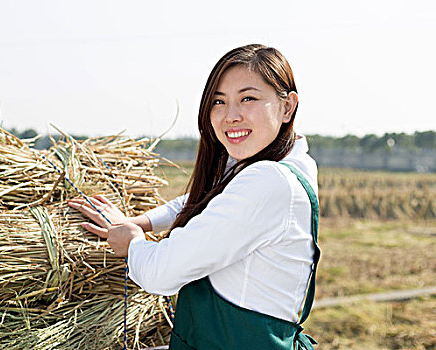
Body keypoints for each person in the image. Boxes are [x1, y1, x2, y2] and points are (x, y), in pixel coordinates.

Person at [68, 44, 320, 349]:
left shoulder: (270, 182)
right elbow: (209, 199)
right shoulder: (290, 165)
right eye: (219, 102)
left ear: (287, 107)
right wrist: (142, 222)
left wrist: (132, 242)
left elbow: (161, 273)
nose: (230, 116)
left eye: (248, 99)